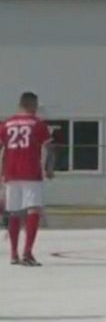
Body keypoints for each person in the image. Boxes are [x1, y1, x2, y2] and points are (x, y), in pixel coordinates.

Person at [0, 92, 55, 266]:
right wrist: (49, 169)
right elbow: (50, 148)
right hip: (30, 171)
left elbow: (3, 150)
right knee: (33, 210)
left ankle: (14, 254)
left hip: (11, 172)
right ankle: (27, 252)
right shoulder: (38, 124)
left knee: (15, 212)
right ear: (33, 105)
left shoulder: (6, 124)